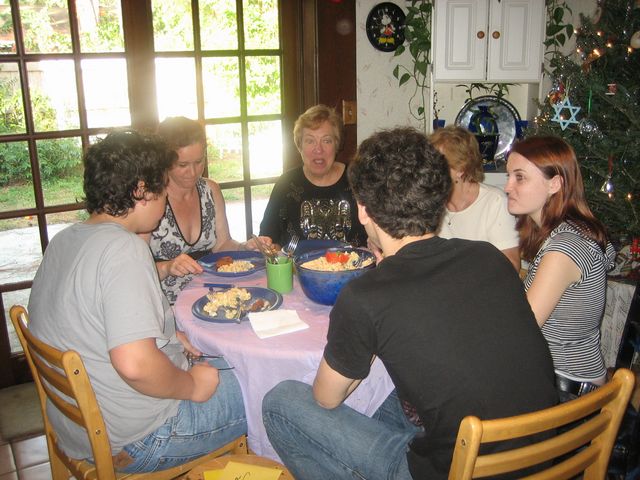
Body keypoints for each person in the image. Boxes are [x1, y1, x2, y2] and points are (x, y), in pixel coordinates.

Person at [262, 127, 557, 479]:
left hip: (458, 471)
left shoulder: (366, 296)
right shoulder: (489, 257)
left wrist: (368, 327)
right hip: (545, 455)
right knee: (383, 396)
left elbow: (327, 398)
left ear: (363, 211)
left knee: (281, 402)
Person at [27, 131, 247, 473]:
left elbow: (91, 323)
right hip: (140, 437)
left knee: (226, 360)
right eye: (162, 188)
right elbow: (135, 364)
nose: (166, 198)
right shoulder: (124, 251)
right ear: (142, 191)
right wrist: (192, 386)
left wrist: (168, 337)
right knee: (262, 381)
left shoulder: (65, 239)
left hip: (79, 427)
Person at [505, 136, 616, 402]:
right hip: (557, 380)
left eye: (520, 177)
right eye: (509, 176)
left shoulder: (564, 249)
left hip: (567, 393)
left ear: (554, 184)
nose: (508, 187)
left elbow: (521, 330)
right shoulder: (564, 233)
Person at [146, 116, 271, 303]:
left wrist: (245, 247)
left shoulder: (210, 190)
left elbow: (222, 245)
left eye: (199, 161)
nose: (193, 172)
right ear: (164, 161)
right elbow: (135, 271)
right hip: (166, 303)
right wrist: (168, 266)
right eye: (182, 165)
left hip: (212, 295)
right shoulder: (150, 198)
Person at [259, 104, 367, 248]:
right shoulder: (286, 184)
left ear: (336, 144)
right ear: (300, 146)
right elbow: (269, 239)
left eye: (326, 140)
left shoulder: (358, 180)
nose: (318, 149)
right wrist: (268, 246)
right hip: (295, 263)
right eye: (310, 141)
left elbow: (377, 237)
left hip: (356, 262)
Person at [430, 125, 521, 271]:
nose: (429, 171)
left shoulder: (495, 202)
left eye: (437, 164)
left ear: (461, 168)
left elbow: (511, 265)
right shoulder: (429, 204)